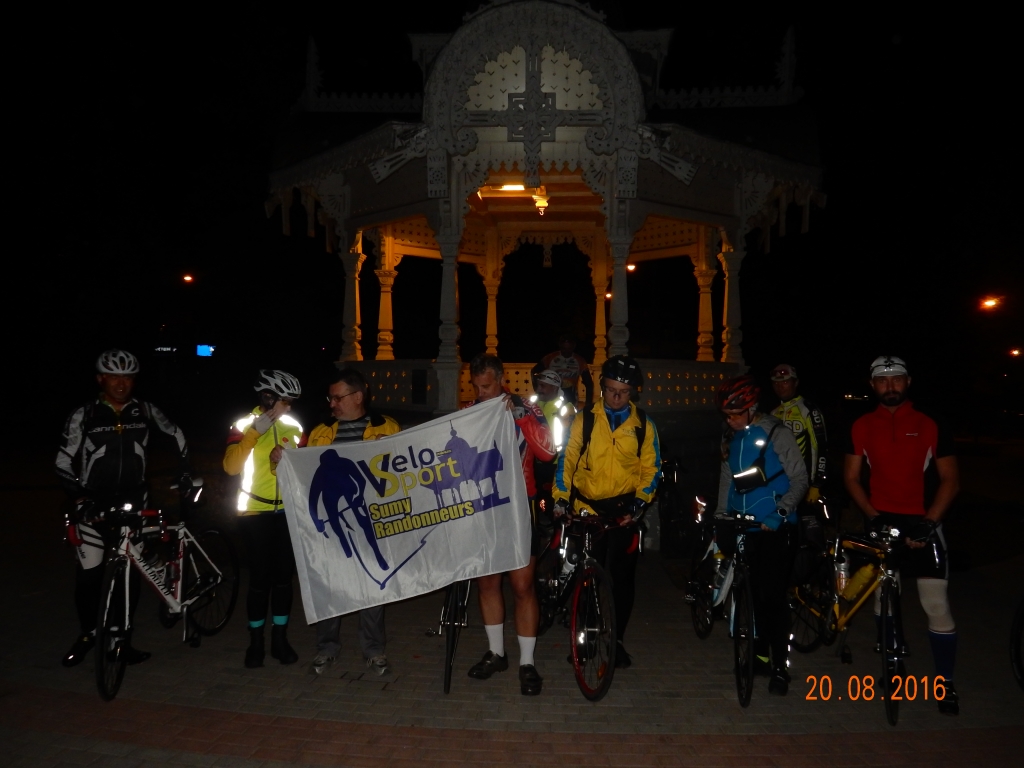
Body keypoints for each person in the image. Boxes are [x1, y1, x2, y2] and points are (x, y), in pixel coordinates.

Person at [56, 349, 190, 667]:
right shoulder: (85, 414)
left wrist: (184, 473)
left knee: (129, 575)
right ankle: (89, 634)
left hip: (135, 502)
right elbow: (62, 460)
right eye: (114, 377)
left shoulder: (145, 410)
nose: (121, 383)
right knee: (89, 577)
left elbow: (177, 434)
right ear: (100, 379)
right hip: (94, 504)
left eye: (128, 377)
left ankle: (121, 639)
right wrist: (79, 498)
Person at [844, 356, 961, 716]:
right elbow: (851, 477)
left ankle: (945, 683)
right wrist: (872, 516)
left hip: (924, 520)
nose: (890, 386)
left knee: (935, 604)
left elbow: (951, 480)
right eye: (882, 380)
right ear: (872, 385)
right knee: (883, 598)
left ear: (908, 382)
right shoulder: (861, 424)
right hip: (882, 521)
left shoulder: (930, 423)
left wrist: (929, 522)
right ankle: (893, 665)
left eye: (896, 379)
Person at [553, 355, 661, 669]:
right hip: (588, 508)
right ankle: (585, 638)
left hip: (624, 511)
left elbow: (652, 469)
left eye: (624, 392)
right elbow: (566, 460)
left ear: (633, 392)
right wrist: (561, 499)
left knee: (623, 580)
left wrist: (639, 505)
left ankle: (617, 641)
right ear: (602, 387)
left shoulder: (643, 425)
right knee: (587, 576)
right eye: (611, 390)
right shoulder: (584, 419)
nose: (616, 397)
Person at [464, 354, 555, 696]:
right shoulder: (469, 410)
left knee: (522, 586)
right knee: (488, 583)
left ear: (501, 379)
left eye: (487, 386)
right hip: (484, 506)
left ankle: (527, 663)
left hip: (519, 505)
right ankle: (496, 653)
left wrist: (521, 418)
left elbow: (547, 452)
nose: (482, 393)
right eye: (477, 386)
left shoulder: (525, 407)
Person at [714, 374, 807, 695]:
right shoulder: (731, 436)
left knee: (773, 598)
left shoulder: (777, 433)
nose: (731, 420)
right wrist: (721, 517)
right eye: (726, 415)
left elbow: (800, 479)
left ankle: (780, 665)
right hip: (745, 527)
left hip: (776, 527)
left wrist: (779, 514)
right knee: (751, 595)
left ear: (752, 408)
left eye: (736, 414)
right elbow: (727, 479)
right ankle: (761, 656)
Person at [305, 369, 401, 677]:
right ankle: (327, 647)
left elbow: (401, 471)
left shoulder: (386, 426)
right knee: (330, 582)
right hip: (332, 519)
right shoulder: (320, 432)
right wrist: (279, 461)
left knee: (371, 584)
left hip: (368, 514)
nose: (332, 404)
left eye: (338, 397)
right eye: (330, 398)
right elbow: (306, 478)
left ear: (358, 396)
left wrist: (391, 449)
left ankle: (374, 649)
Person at [224, 370, 305, 668]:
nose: (289, 406)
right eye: (285, 400)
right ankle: (255, 641)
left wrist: (279, 463)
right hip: (254, 512)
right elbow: (231, 467)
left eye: (292, 402)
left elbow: (298, 472)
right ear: (268, 397)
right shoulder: (243, 424)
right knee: (260, 580)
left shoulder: (295, 427)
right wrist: (254, 433)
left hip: (286, 512)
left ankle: (279, 639)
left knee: (283, 579)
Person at [770, 364, 828, 502]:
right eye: (776, 383)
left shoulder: (808, 409)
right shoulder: (773, 413)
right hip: (779, 481)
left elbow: (820, 447)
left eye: (785, 382)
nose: (780, 386)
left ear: (795, 383)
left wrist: (817, 484)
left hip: (803, 482)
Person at [535, 335, 594, 407]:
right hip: (552, 394)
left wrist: (588, 403)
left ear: (573, 347)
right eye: (564, 349)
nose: (566, 352)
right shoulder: (550, 358)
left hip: (570, 396)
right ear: (560, 346)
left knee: (570, 413)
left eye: (569, 349)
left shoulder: (580, 361)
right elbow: (534, 372)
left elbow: (589, 383)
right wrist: (537, 388)